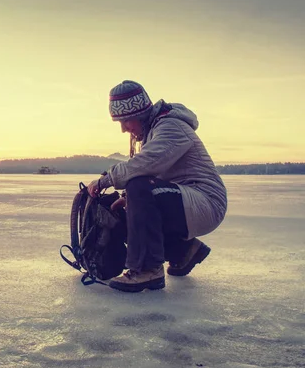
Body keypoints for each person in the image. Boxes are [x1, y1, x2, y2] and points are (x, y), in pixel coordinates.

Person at [88, 80, 227, 292]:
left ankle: (147, 270)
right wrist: (130, 201)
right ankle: (183, 250)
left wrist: (106, 179)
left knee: (139, 187)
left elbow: (147, 163)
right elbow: (156, 175)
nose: (124, 129)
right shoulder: (154, 130)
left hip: (205, 202)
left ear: (140, 113)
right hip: (184, 199)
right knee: (125, 213)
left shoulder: (171, 126)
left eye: (126, 121)